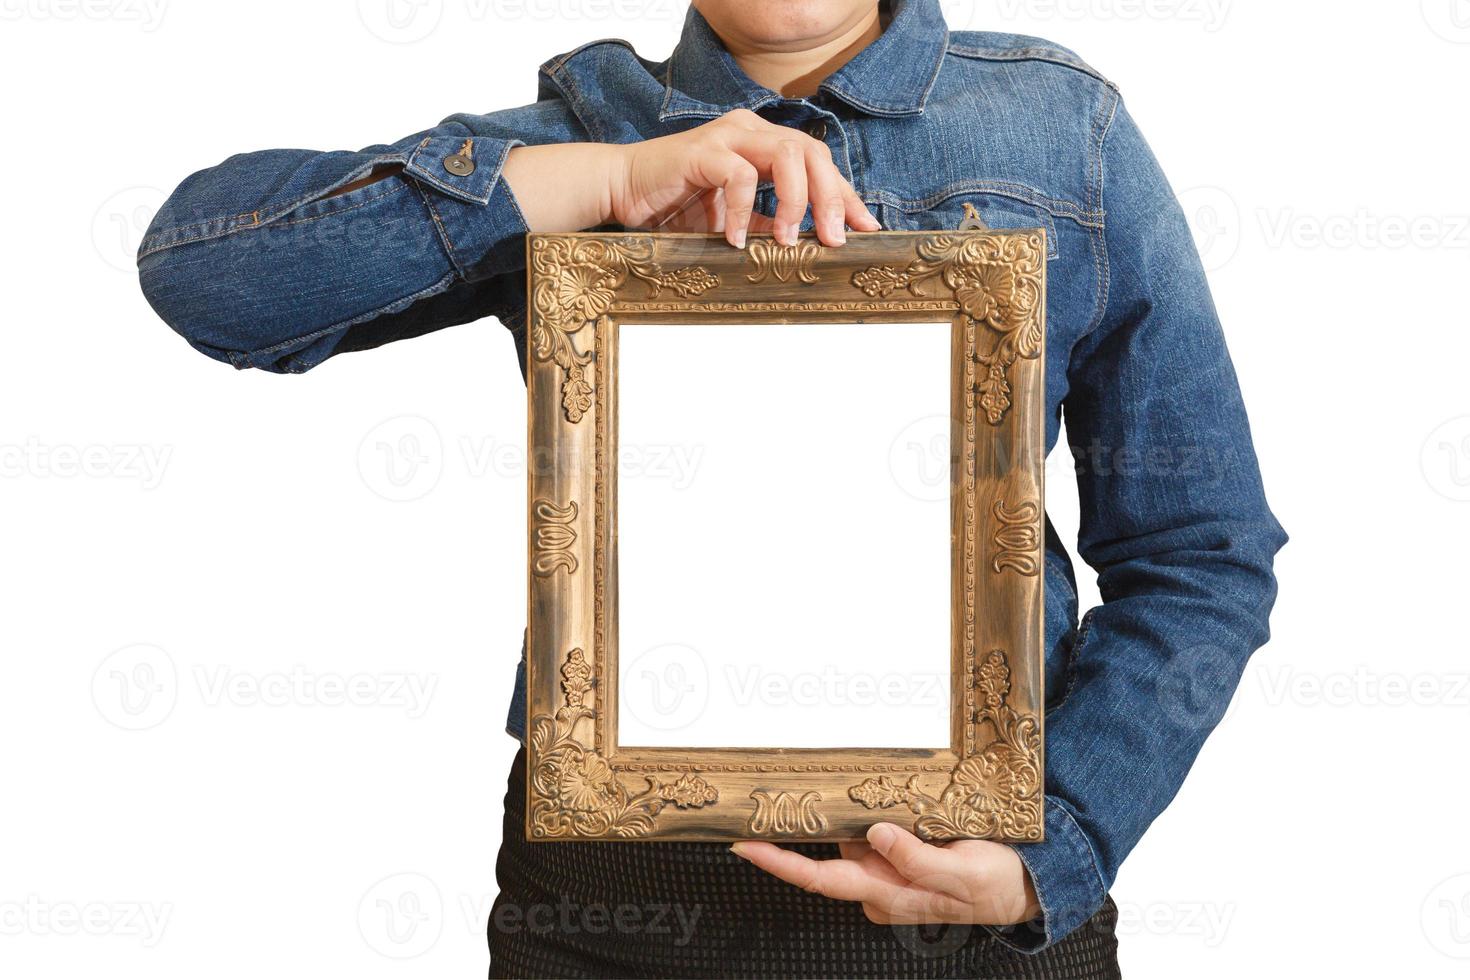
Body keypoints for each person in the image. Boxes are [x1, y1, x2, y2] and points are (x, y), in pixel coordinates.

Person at [137, 1, 1286, 975]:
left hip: (977, 890)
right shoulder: (583, 134)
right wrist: (601, 181)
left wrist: (1059, 848)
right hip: (611, 904)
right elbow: (204, 268)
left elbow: (1200, 551)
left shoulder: (1060, 129)